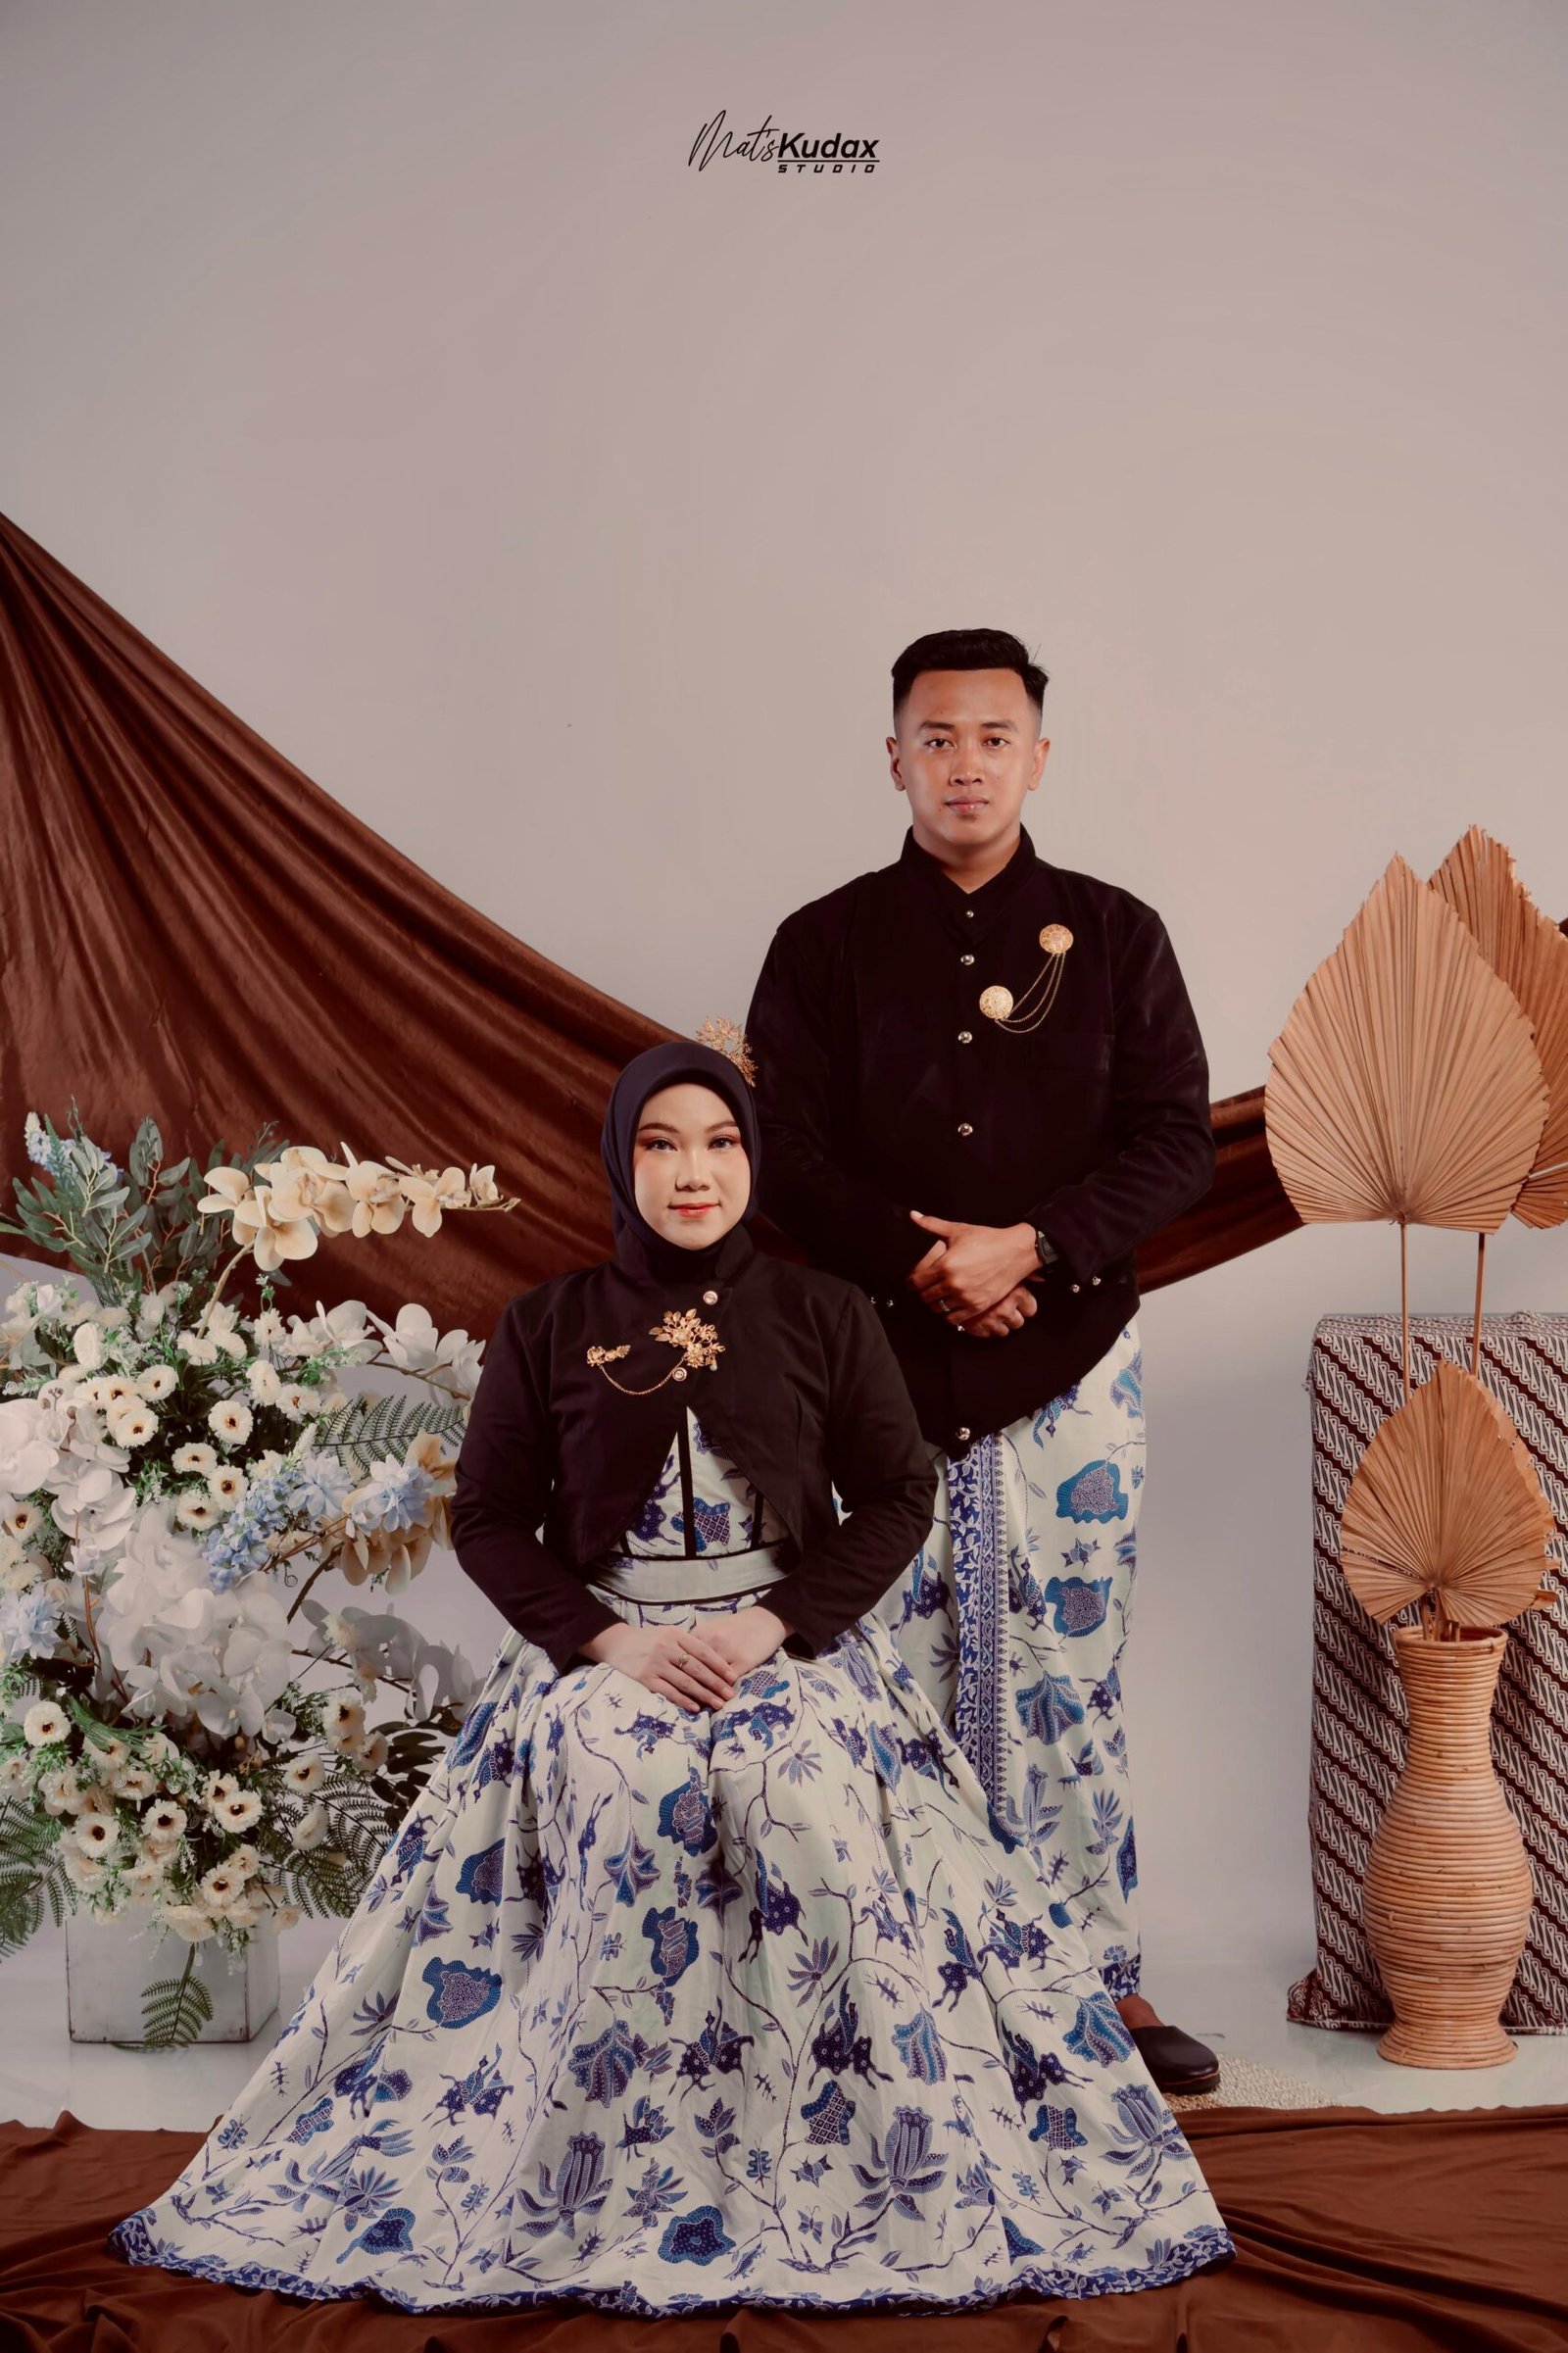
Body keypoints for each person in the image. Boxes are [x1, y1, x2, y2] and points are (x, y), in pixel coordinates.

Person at [111, 1038, 1229, 2313]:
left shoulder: (824, 1312)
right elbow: (488, 1519)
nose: (694, 1172)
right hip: (607, 1651)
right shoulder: (549, 1322)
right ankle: (599, 2165)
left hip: (784, 1646)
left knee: (794, 1795)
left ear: (751, 1160)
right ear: (620, 1160)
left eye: (721, 1143)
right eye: (661, 1144)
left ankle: (826, 2159)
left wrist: (774, 1625)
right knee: (623, 1788)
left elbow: (898, 1493)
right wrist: (610, 1641)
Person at [745, 629, 1220, 2097]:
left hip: (1072, 1353)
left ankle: (1097, 1982)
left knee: (1068, 1665)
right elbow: (782, 1152)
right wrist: (924, 1264)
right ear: (893, 756)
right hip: (871, 1364)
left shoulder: (1117, 934)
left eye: (994, 737)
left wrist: (1034, 1248)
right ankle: (889, 1983)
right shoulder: (821, 944)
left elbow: (1176, 1140)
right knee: (875, 1666)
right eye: (938, 737)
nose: (966, 764)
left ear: (1039, 757)